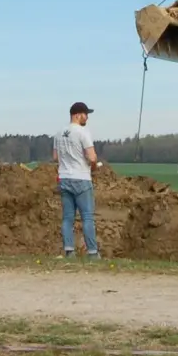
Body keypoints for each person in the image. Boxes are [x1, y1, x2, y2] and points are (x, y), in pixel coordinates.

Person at [52, 101, 102, 259]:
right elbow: (92, 157)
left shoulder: (59, 133)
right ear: (78, 115)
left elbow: (55, 157)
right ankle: (92, 252)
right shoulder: (83, 132)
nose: (87, 117)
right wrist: (93, 166)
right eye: (86, 114)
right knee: (87, 217)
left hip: (64, 178)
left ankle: (69, 251)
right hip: (81, 178)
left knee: (68, 218)